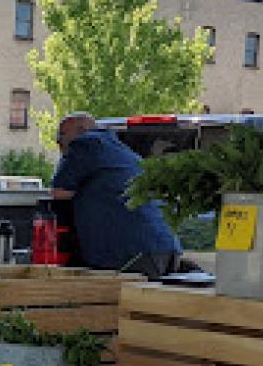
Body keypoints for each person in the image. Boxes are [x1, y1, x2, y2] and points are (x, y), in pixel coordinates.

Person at [51, 112, 181, 277]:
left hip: (128, 251)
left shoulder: (86, 143)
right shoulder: (120, 149)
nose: (57, 141)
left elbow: (59, 192)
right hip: (163, 247)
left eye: (62, 134)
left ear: (82, 130)